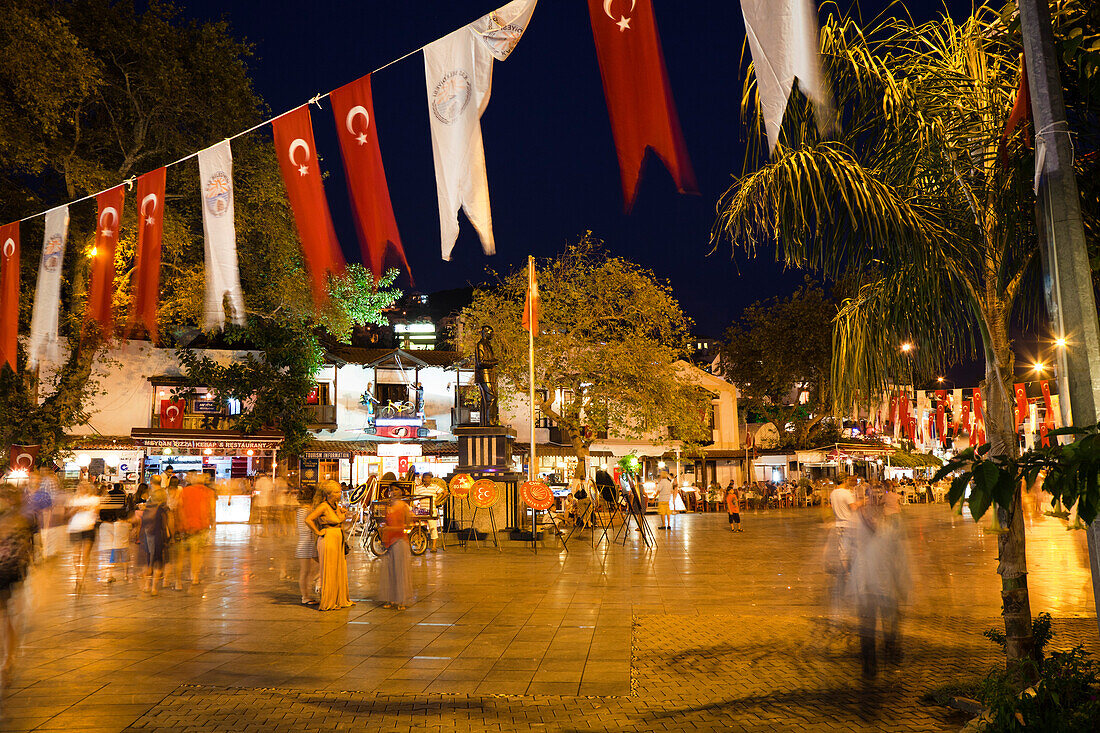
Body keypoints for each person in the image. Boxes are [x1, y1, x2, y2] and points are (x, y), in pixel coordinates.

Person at [0, 483, 33, 688]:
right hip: (9, 573)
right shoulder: (20, 520)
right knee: (5, 617)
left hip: (6, 573)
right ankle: (8, 658)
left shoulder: (17, 521)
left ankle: (8, 658)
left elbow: (23, 551)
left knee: (5, 616)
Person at [305, 481, 352, 611]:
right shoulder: (323, 506)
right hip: (328, 538)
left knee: (338, 568)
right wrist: (318, 531)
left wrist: (342, 514)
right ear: (329, 494)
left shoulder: (335, 505)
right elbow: (308, 519)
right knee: (330, 569)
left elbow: (340, 521)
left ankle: (338, 598)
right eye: (337, 492)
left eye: (339, 491)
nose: (339, 494)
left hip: (337, 537)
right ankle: (329, 600)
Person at [176, 473, 216, 587]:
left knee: (181, 554)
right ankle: (195, 576)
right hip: (201, 526)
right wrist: (213, 524)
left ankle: (178, 582)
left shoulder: (185, 491)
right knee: (197, 552)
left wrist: (181, 522)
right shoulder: (209, 492)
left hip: (185, 526)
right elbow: (212, 510)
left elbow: (180, 508)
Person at [378, 486, 414, 610]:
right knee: (390, 571)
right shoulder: (388, 507)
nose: (393, 492)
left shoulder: (404, 507)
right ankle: (391, 598)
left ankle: (401, 600)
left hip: (399, 541)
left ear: (401, 492)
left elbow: (408, 525)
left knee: (400, 570)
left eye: (396, 490)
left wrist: (393, 529)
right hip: (389, 542)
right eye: (391, 490)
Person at [68, 480, 100, 591]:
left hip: (88, 527)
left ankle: (82, 576)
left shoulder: (94, 499)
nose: (82, 488)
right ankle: (78, 575)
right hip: (75, 527)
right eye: (80, 486)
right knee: (76, 554)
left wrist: (85, 508)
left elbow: (96, 512)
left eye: (85, 486)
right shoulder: (74, 499)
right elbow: (69, 513)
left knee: (86, 555)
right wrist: (76, 509)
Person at [138, 487, 171, 595]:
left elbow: (143, 524)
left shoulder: (147, 508)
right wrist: (169, 536)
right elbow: (165, 525)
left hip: (147, 537)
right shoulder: (163, 509)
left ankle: (147, 585)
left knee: (149, 562)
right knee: (158, 562)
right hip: (158, 536)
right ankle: (154, 588)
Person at [295, 489, 321, 605]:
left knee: (319, 566)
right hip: (306, 543)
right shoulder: (306, 510)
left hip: (308, 542)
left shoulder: (304, 510)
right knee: (305, 571)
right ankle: (305, 596)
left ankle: (316, 581)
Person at [412, 472, 444, 552]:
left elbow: (444, 493)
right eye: (425, 478)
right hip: (422, 510)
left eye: (429, 478)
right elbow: (414, 496)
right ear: (423, 478)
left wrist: (438, 501)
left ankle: (433, 546)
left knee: (433, 528)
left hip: (431, 510)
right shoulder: (419, 488)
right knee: (419, 527)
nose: (427, 479)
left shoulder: (434, 487)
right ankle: (422, 544)